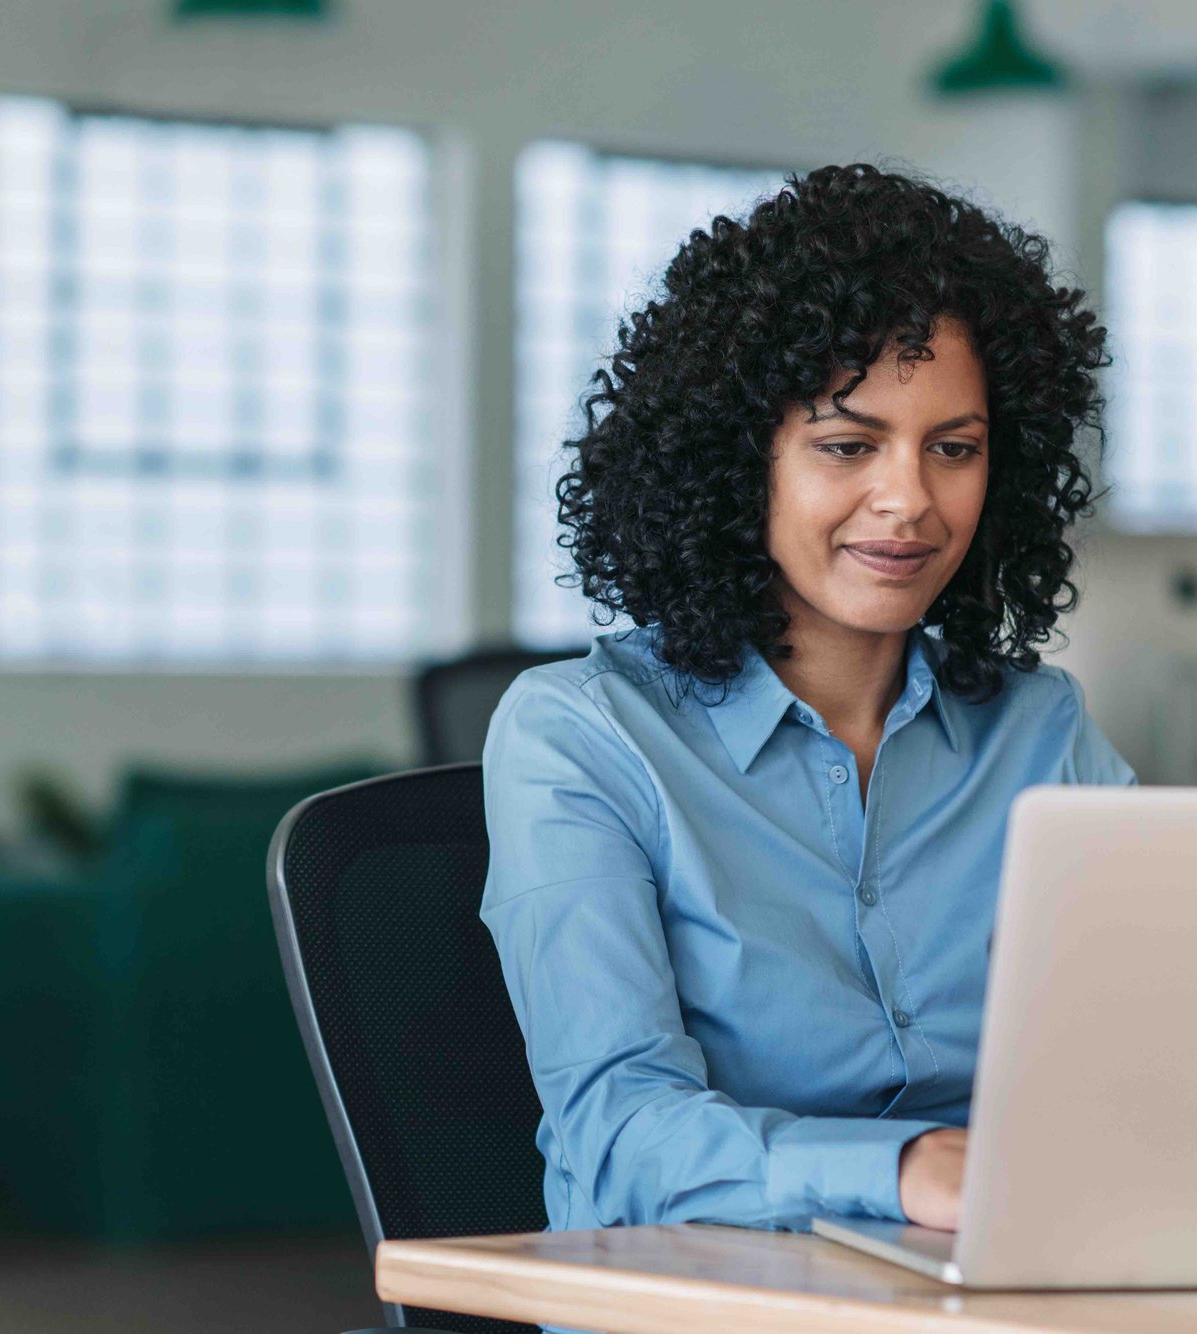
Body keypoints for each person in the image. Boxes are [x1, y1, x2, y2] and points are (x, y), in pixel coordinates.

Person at [481, 164, 1134, 1246]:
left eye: (954, 448)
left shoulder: (1039, 730)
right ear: (740, 463)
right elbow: (616, 1134)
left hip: (995, 1285)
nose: (909, 500)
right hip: (701, 1295)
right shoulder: (582, 734)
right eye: (846, 444)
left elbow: (1165, 1052)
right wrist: (908, 1165)